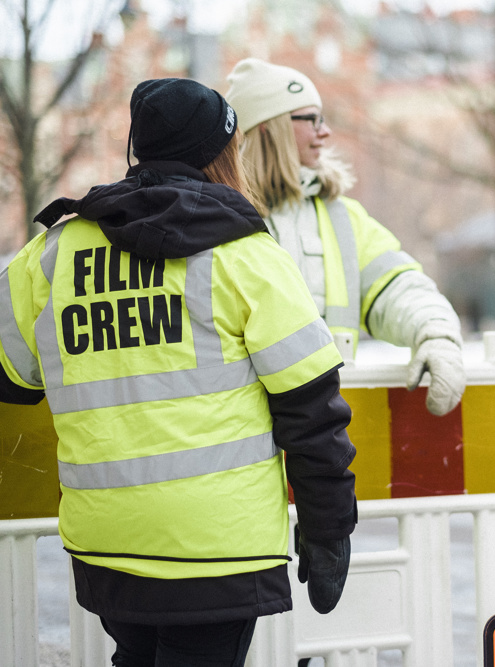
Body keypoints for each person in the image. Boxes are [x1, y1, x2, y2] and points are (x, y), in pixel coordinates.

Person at [0, 78, 356, 666]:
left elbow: (11, 377)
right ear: (221, 153)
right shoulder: (247, 255)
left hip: (109, 544)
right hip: (218, 550)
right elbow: (312, 410)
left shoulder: (54, 253)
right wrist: (329, 530)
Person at [224, 58, 465, 417]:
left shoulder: (342, 218)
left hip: (321, 430)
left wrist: (436, 333)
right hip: (242, 431)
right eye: (312, 119)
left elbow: (398, 288)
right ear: (268, 128)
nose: (325, 132)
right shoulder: (218, 218)